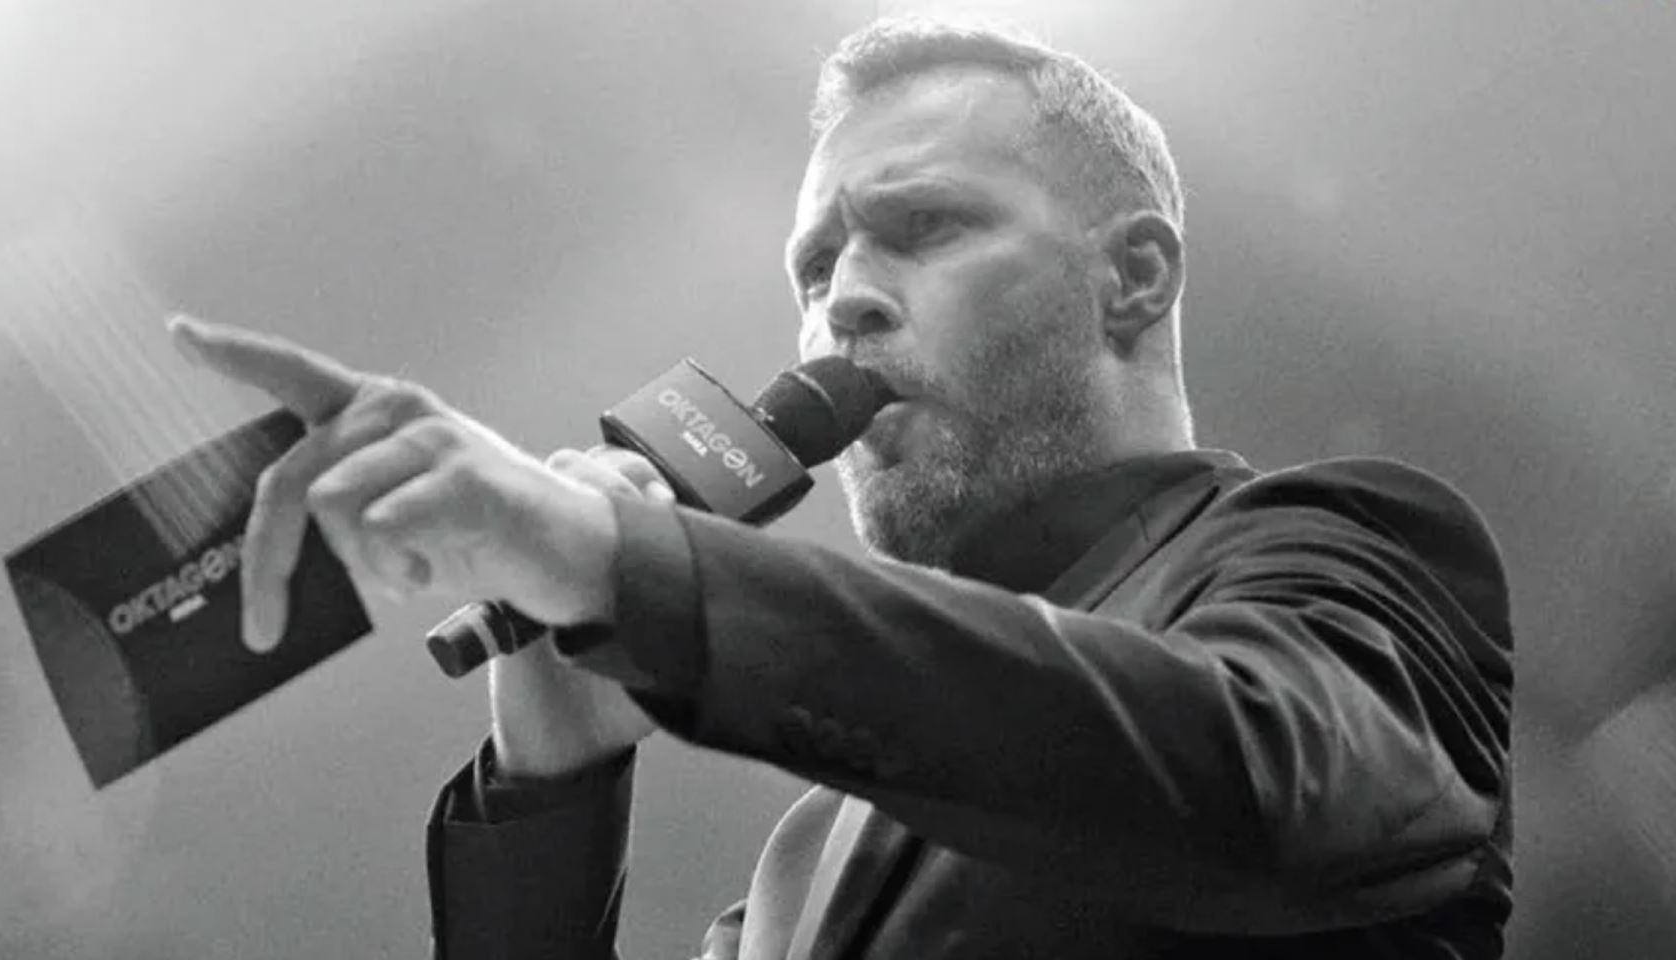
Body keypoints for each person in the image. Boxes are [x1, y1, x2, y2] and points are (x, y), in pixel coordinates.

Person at [171, 16, 1514, 959]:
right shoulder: (806, 861)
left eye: (922, 227)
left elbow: (1244, 791)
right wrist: (553, 781)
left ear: (1134, 276)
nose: (845, 303)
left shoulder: (1345, 552)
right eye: (816, 269)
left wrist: (626, 567)